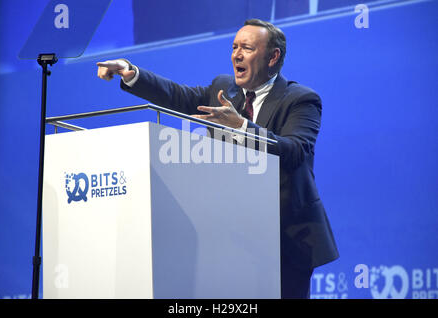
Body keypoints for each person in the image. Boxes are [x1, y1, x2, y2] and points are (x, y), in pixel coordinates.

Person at [97, 19, 339, 299]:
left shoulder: (301, 99)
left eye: (246, 48)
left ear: (273, 57)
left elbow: (295, 150)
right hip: (228, 236)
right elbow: (178, 96)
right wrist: (131, 73)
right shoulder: (224, 89)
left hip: (285, 239)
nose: (236, 54)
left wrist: (242, 128)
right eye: (234, 46)